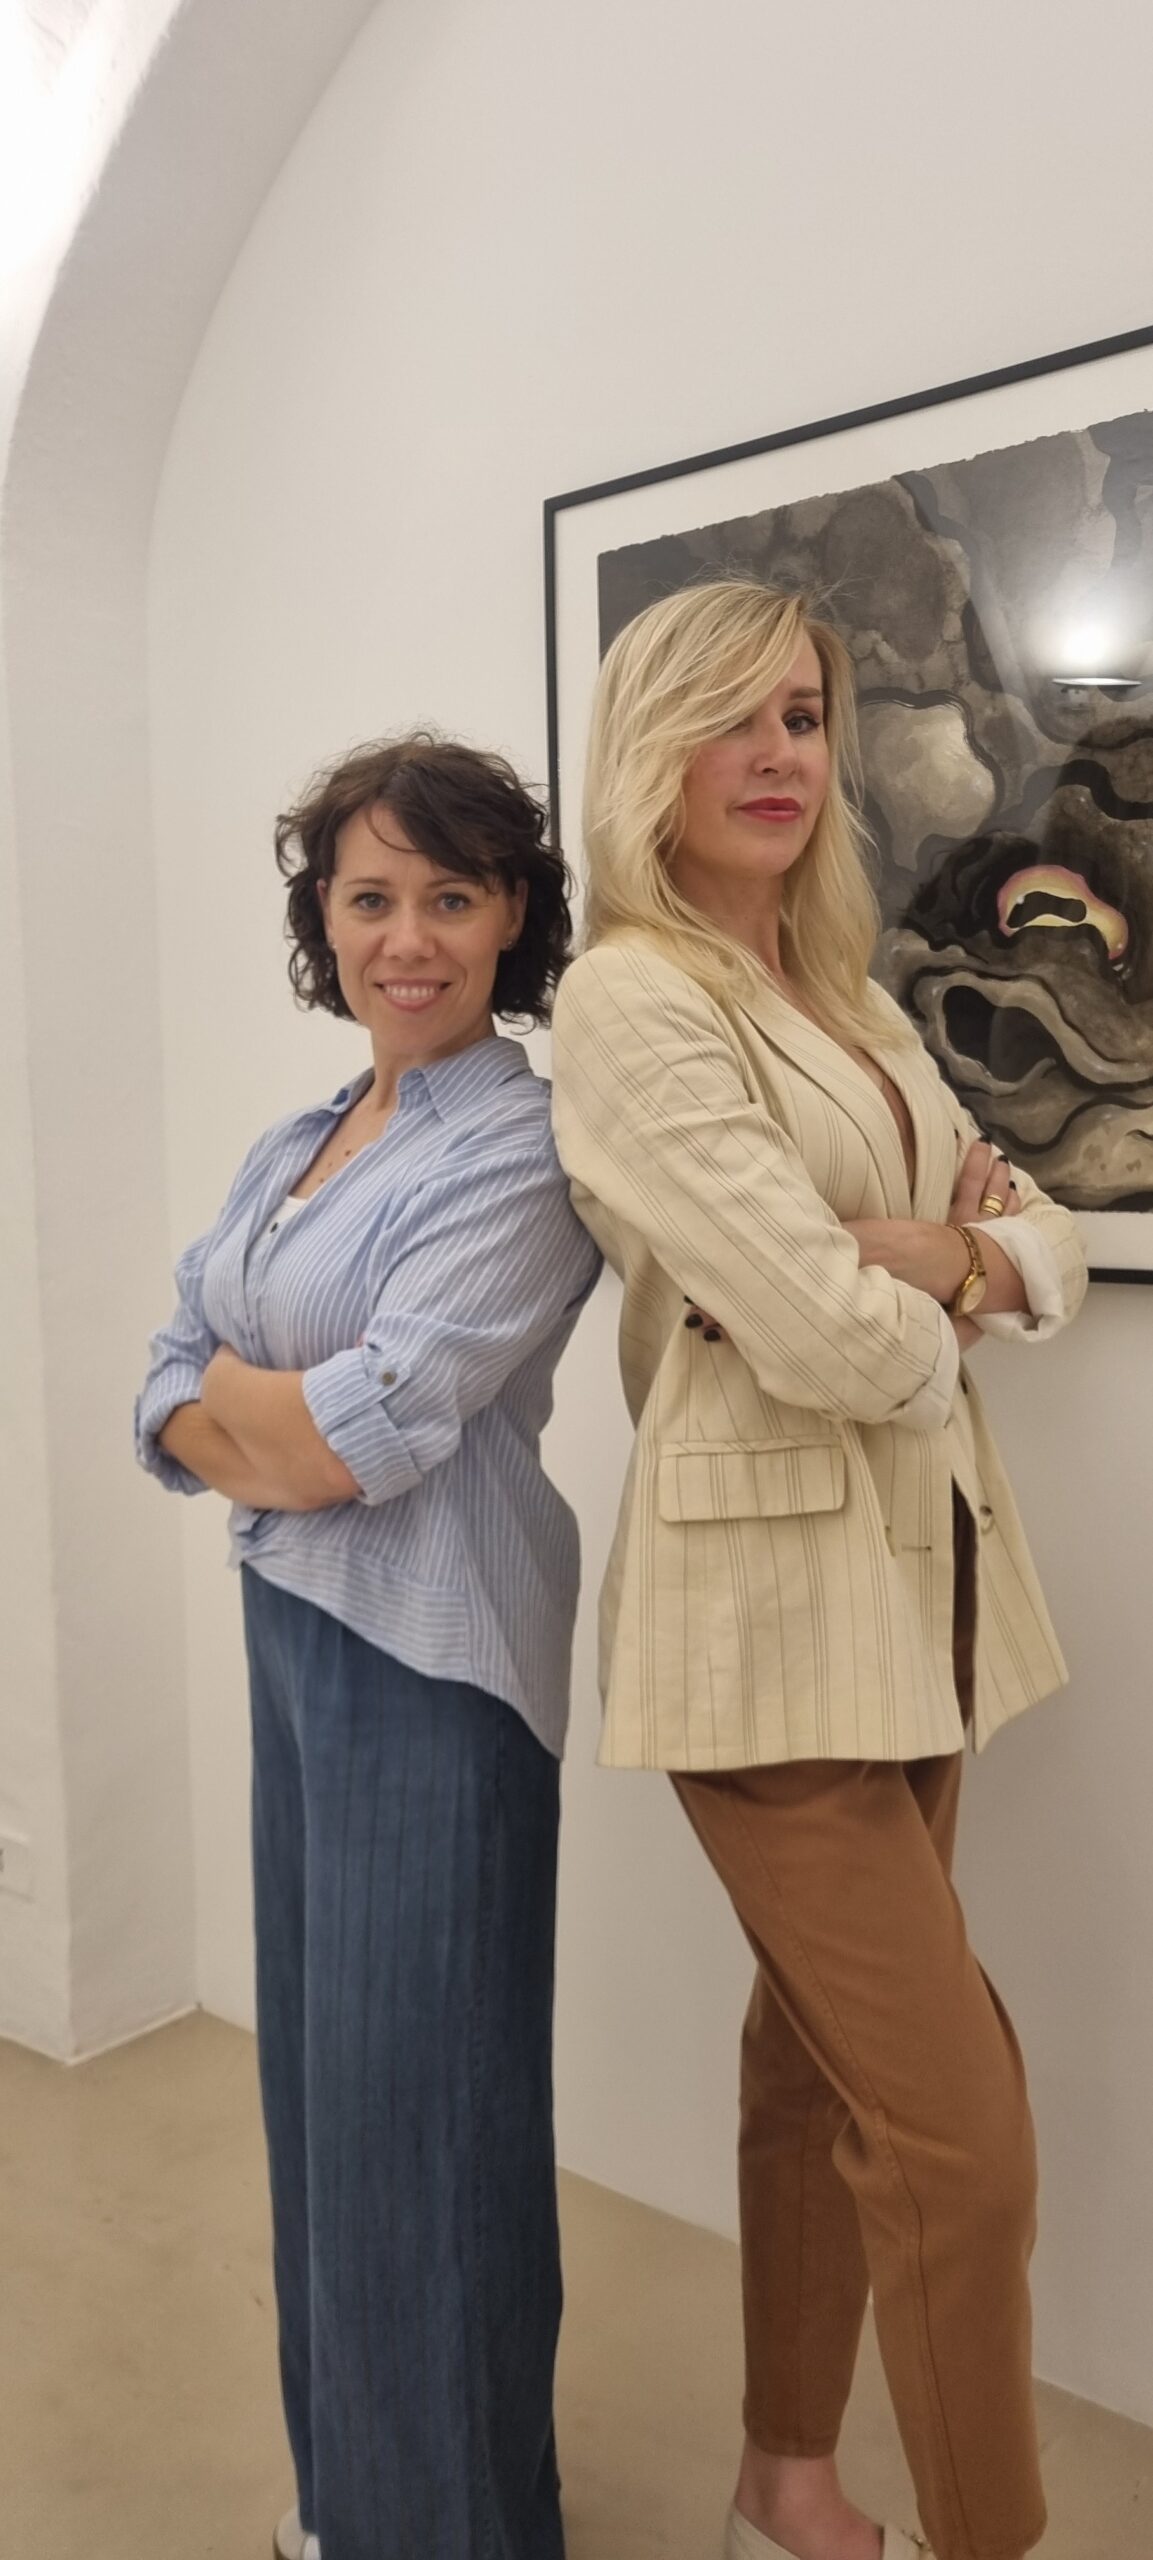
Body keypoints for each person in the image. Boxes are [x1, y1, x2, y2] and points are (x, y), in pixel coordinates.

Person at [549, 581, 1087, 2560]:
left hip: (918, 1594)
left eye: (800, 714)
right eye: (730, 716)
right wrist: (927, 1281)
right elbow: (820, 1335)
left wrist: (945, 1253)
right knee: (963, 2145)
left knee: (814, 2070)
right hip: (759, 1624)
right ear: (649, 751)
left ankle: (785, 2476)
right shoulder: (629, 999)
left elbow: (1036, 1236)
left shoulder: (844, 995)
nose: (777, 753)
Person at [135, 734, 600, 2560]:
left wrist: (233, 1412)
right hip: (293, 1631)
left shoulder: (523, 1147)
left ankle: (450, 2526)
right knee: (324, 2107)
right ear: (322, 920)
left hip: (436, 1664)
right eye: (369, 898)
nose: (407, 939)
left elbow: (356, 1437)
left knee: (425, 2123)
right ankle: (360, 2501)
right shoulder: (304, 1136)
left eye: (449, 897)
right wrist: (239, 1411)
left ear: (510, 918)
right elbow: (167, 1362)